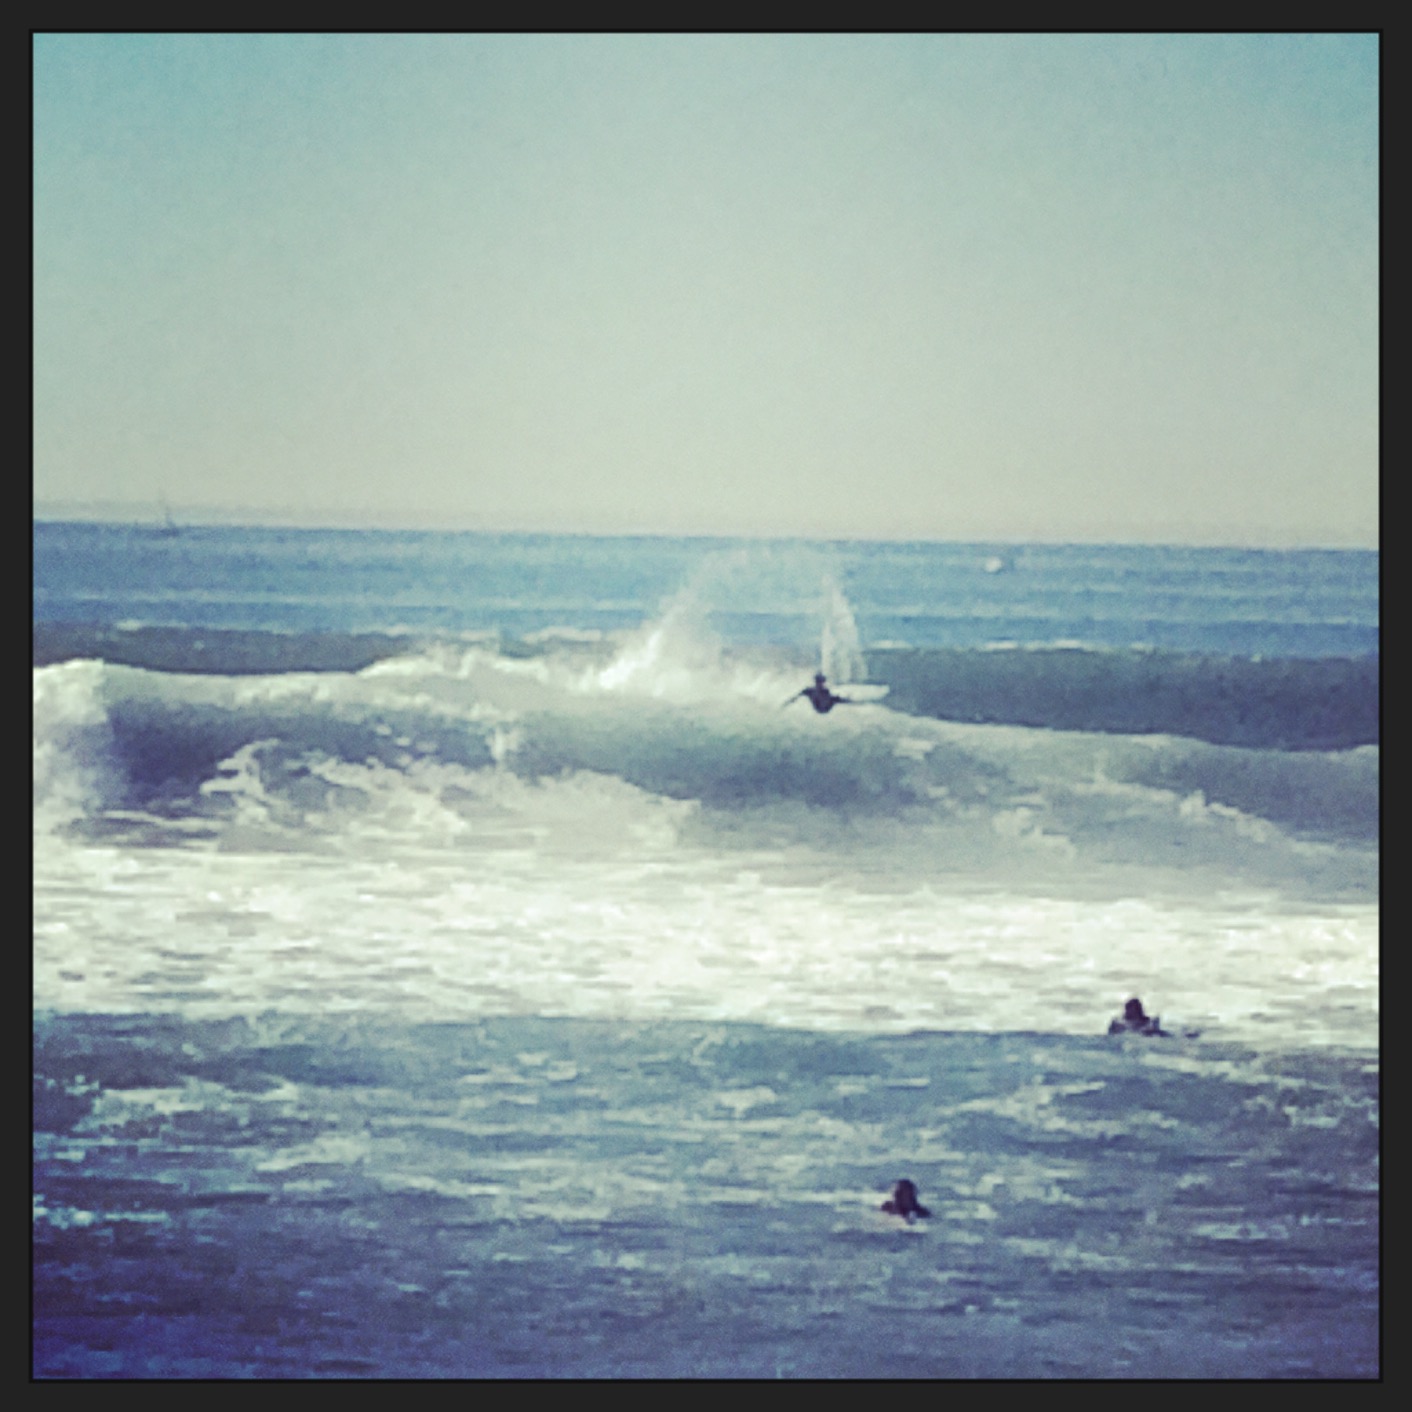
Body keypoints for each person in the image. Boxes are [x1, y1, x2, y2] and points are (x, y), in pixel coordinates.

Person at [785, 671, 851, 714]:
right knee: (830, 697)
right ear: (816, 682)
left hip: (825, 707)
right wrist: (789, 702)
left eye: (821, 682)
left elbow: (835, 699)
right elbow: (797, 696)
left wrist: (844, 699)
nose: (820, 684)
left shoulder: (825, 691)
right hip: (819, 707)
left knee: (834, 698)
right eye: (818, 682)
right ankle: (849, 700)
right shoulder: (810, 690)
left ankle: (852, 700)